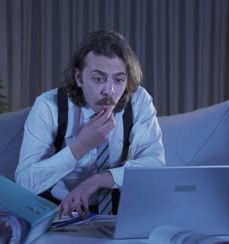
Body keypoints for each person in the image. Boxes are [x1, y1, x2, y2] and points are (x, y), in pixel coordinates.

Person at [15, 30, 165, 218]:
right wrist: (79, 147)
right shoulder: (49, 105)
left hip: (118, 210)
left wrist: (100, 179)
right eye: (98, 79)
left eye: (119, 80)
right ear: (79, 77)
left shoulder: (139, 101)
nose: (109, 91)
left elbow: (156, 164)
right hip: (59, 211)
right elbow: (24, 182)